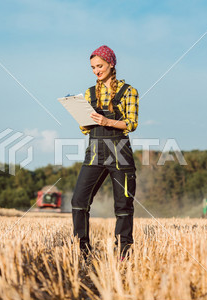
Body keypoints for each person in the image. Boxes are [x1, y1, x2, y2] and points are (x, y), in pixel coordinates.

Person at [71, 45, 139, 260]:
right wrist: (81, 117)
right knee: (78, 202)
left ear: (111, 64)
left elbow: (131, 123)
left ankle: (123, 252)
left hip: (120, 152)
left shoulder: (129, 91)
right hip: (94, 153)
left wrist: (107, 121)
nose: (96, 71)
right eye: (92, 67)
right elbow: (84, 128)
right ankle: (81, 250)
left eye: (99, 66)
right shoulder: (89, 93)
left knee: (123, 205)